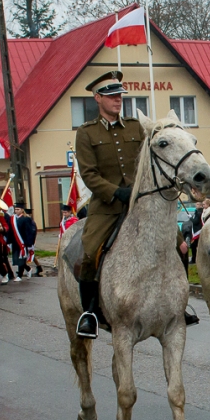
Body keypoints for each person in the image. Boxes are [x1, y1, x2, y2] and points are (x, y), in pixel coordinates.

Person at [74, 70, 145, 338]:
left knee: (177, 244)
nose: (118, 100)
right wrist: (116, 192)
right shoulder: (86, 133)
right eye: (112, 95)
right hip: (107, 207)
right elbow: (89, 174)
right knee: (90, 252)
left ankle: (175, 305)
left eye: (120, 95)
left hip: (139, 204)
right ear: (97, 98)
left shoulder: (136, 127)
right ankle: (90, 312)